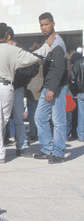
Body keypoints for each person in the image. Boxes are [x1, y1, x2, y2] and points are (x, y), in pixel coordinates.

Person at [0, 23, 54, 163]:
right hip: (6, 86)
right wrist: (47, 46)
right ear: (7, 34)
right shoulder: (11, 49)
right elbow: (32, 57)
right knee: (3, 120)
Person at [34, 13, 69, 164]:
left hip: (57, 88)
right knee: (39, 117)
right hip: (48, 87)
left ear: (53, 24)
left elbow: (60, 69)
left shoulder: (57, 44)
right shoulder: (48, 42)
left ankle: (59, 152)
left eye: (46, 24)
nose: (43, 27)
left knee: (58, 120)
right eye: (41, 25)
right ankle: (47, 148)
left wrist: (52, 90)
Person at [6, 28, 40, 158]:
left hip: (17, 88)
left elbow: (34, 66)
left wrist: (21, 77)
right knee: (1, 119)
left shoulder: (21, 50)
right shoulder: (1, 49)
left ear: (7, 36)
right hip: (3, 87)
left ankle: (22, 146)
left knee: (19, 119)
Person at [71, 50, 84, 142]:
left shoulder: (78, 62)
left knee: (81, 114)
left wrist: (74, 92)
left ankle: (81, 135)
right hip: (80, 90)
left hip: (80, 91)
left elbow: (73, 79)